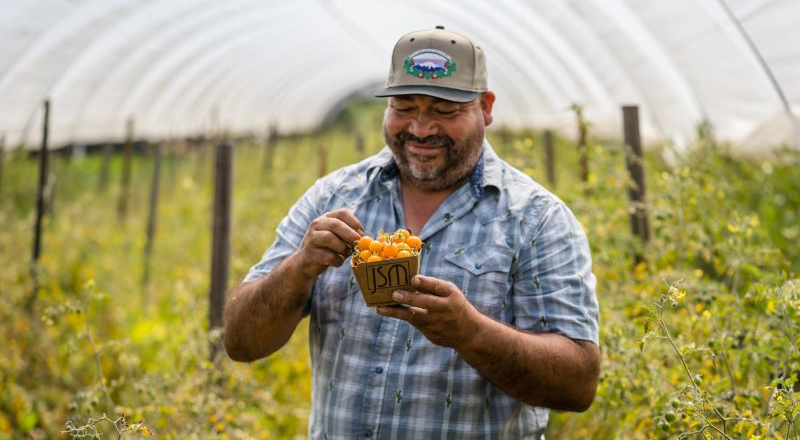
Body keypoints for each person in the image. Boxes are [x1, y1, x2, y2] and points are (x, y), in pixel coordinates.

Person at [224, 25, 600, 439]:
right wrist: (298, 268)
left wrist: (470, 332)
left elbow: (577, 384)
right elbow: (240, 342)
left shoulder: (536, 219)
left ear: (486, 107)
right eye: (404, 107)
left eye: (444, 111)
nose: (421, 129)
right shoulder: (332, 197)